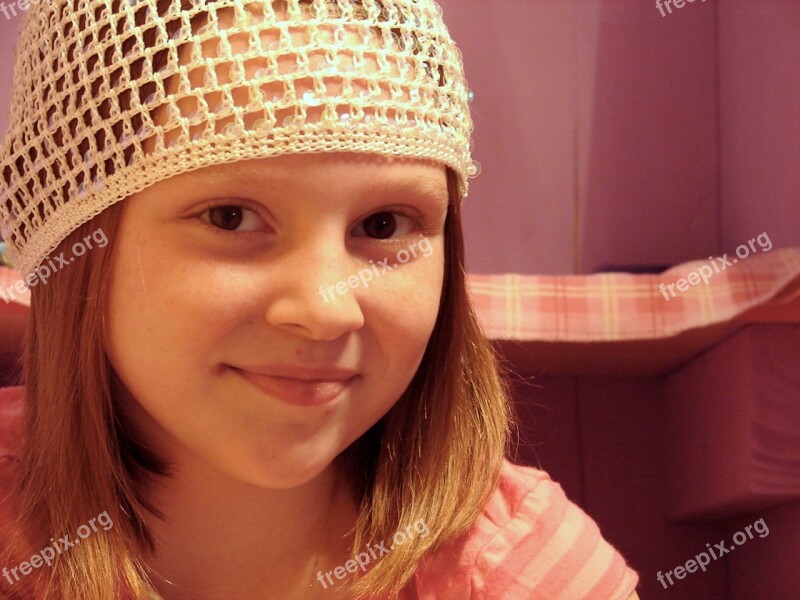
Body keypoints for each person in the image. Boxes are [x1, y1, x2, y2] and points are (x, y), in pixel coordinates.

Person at [0, 0, 640, 598]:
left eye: (384, 224)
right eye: (230, 216)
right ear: (76, 243)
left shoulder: (517, 565)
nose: (328, 307)